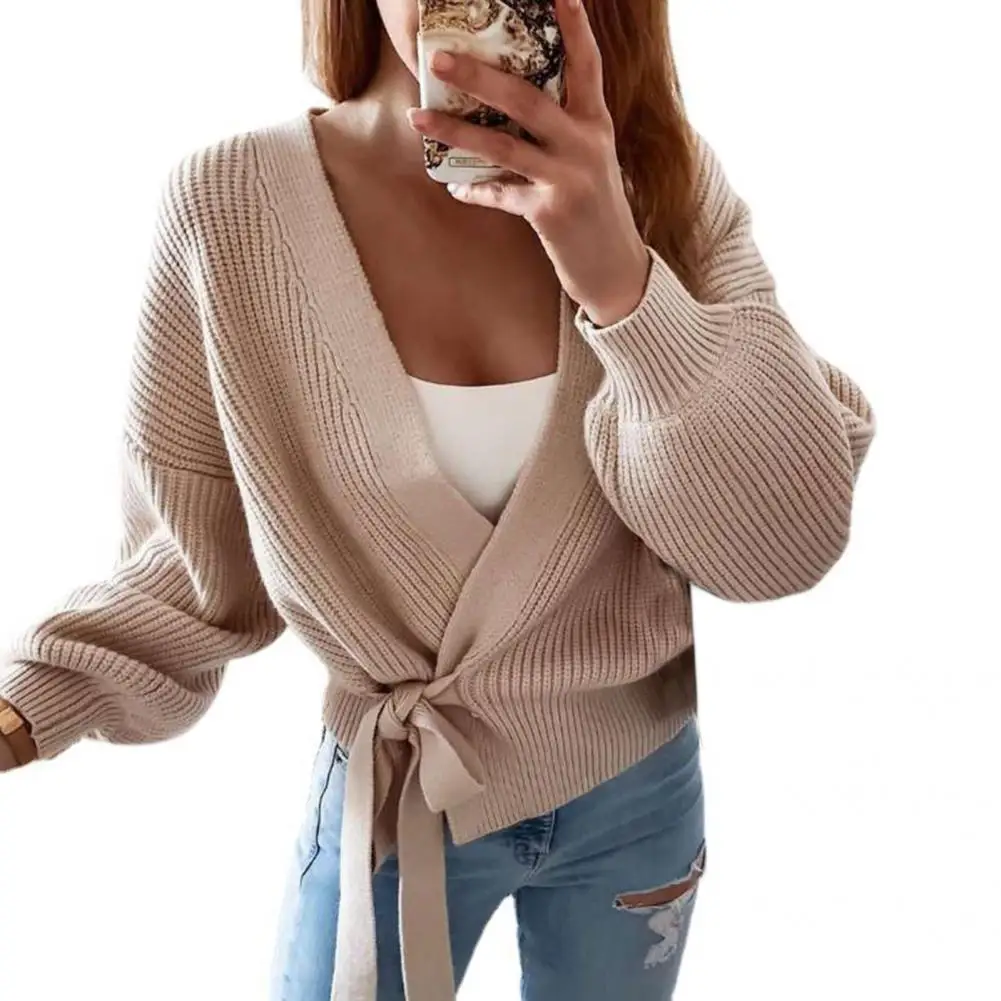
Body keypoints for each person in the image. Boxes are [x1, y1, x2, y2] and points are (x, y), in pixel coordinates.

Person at [0, 0, 878, 999]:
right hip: (396, 796)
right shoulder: (230, 205)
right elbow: (190, 562)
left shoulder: (658, 182)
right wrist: (26, 708)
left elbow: (778, 543)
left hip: (635, 785)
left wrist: (625, 288)